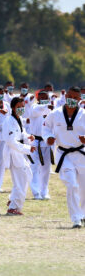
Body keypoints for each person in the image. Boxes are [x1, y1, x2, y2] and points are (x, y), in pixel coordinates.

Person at [43, 86, 85, 228]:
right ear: (66, 96)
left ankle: (83, 214)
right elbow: (46, 127)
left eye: (75, 97)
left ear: (80, 99)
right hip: (64, 154)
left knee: (83, 188)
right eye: (70, 96)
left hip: (81, 154)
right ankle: (76, 219)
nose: (72, 99)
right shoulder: (55, 114)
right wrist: (48, 137)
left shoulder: (84, 114)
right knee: (72, 185)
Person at [2, 97, 36, 215]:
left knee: (26, 176)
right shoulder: (8, 121)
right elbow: (11, 141)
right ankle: (13, 207)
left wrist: (28, 136)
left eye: (22, 107)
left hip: (19, 152)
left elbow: (21, 133)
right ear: (13, 107)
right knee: (21, 180)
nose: (21, 109)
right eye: (18, 107)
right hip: (13, 153)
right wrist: (28, 148)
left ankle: (13, 199)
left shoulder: (19, 119)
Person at [29, 90, 54, 200]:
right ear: (38, 98)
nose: (44, 99)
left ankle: (44, 191)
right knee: (34, 167)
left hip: (47, 142)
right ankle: (36, 192)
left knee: (46, 169)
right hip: (35, 141)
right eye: (42, 97)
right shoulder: (34, 107)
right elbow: (38, 110)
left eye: (46, 97)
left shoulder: (52, 110)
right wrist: (47, 106)